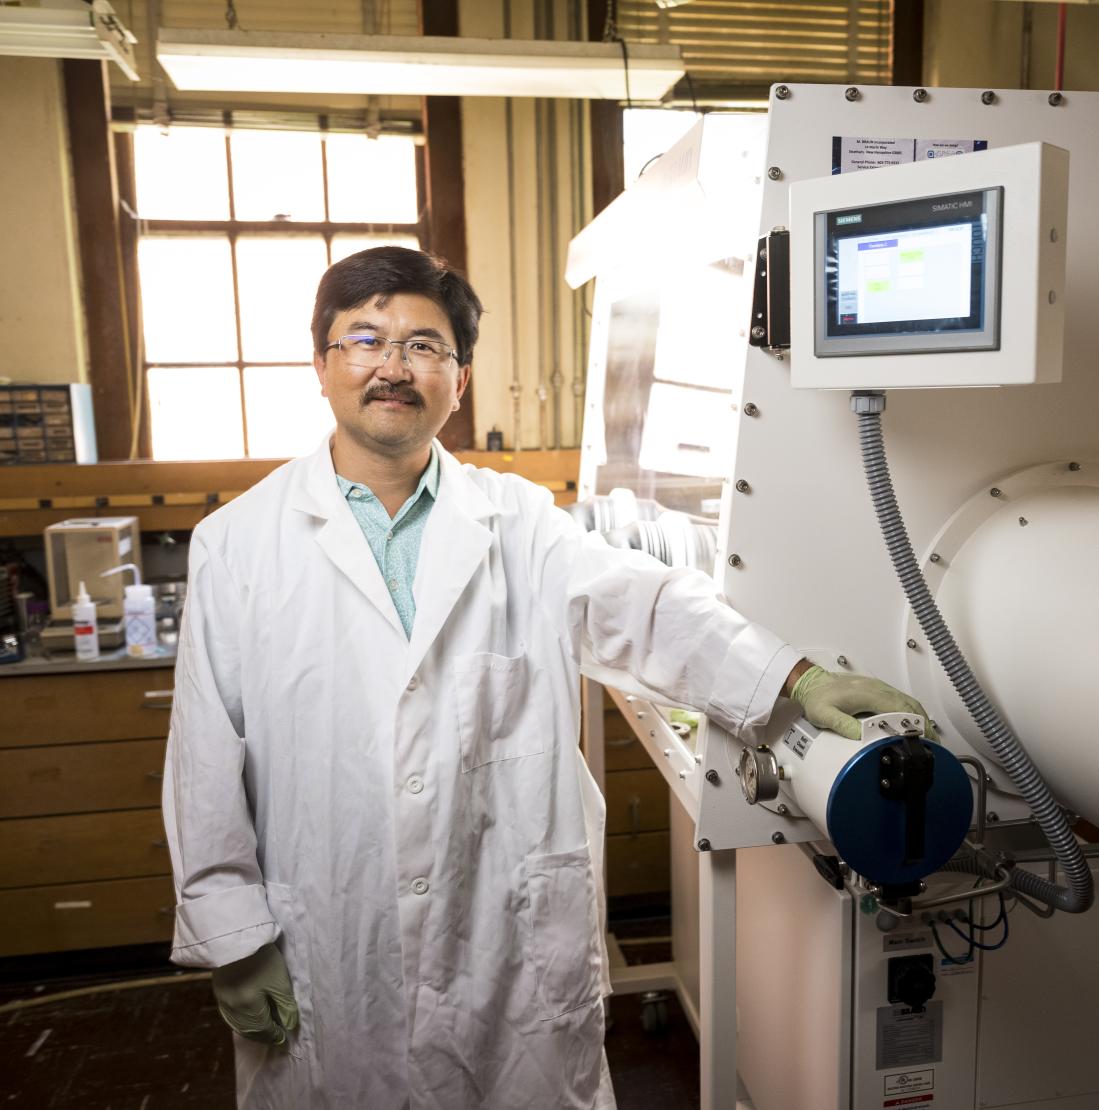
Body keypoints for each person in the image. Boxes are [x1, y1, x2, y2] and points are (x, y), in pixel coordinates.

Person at [162, 246, 930, 1110]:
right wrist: (233, 936)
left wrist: (791, 679)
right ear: (321, 365)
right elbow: (203, 762)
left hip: (501, 942)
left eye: (424, 345)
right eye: (365, 340)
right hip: (332, 939)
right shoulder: (239, 544)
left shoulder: (515, 519)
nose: (393, 366)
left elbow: (645, 607)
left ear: (459, 378)